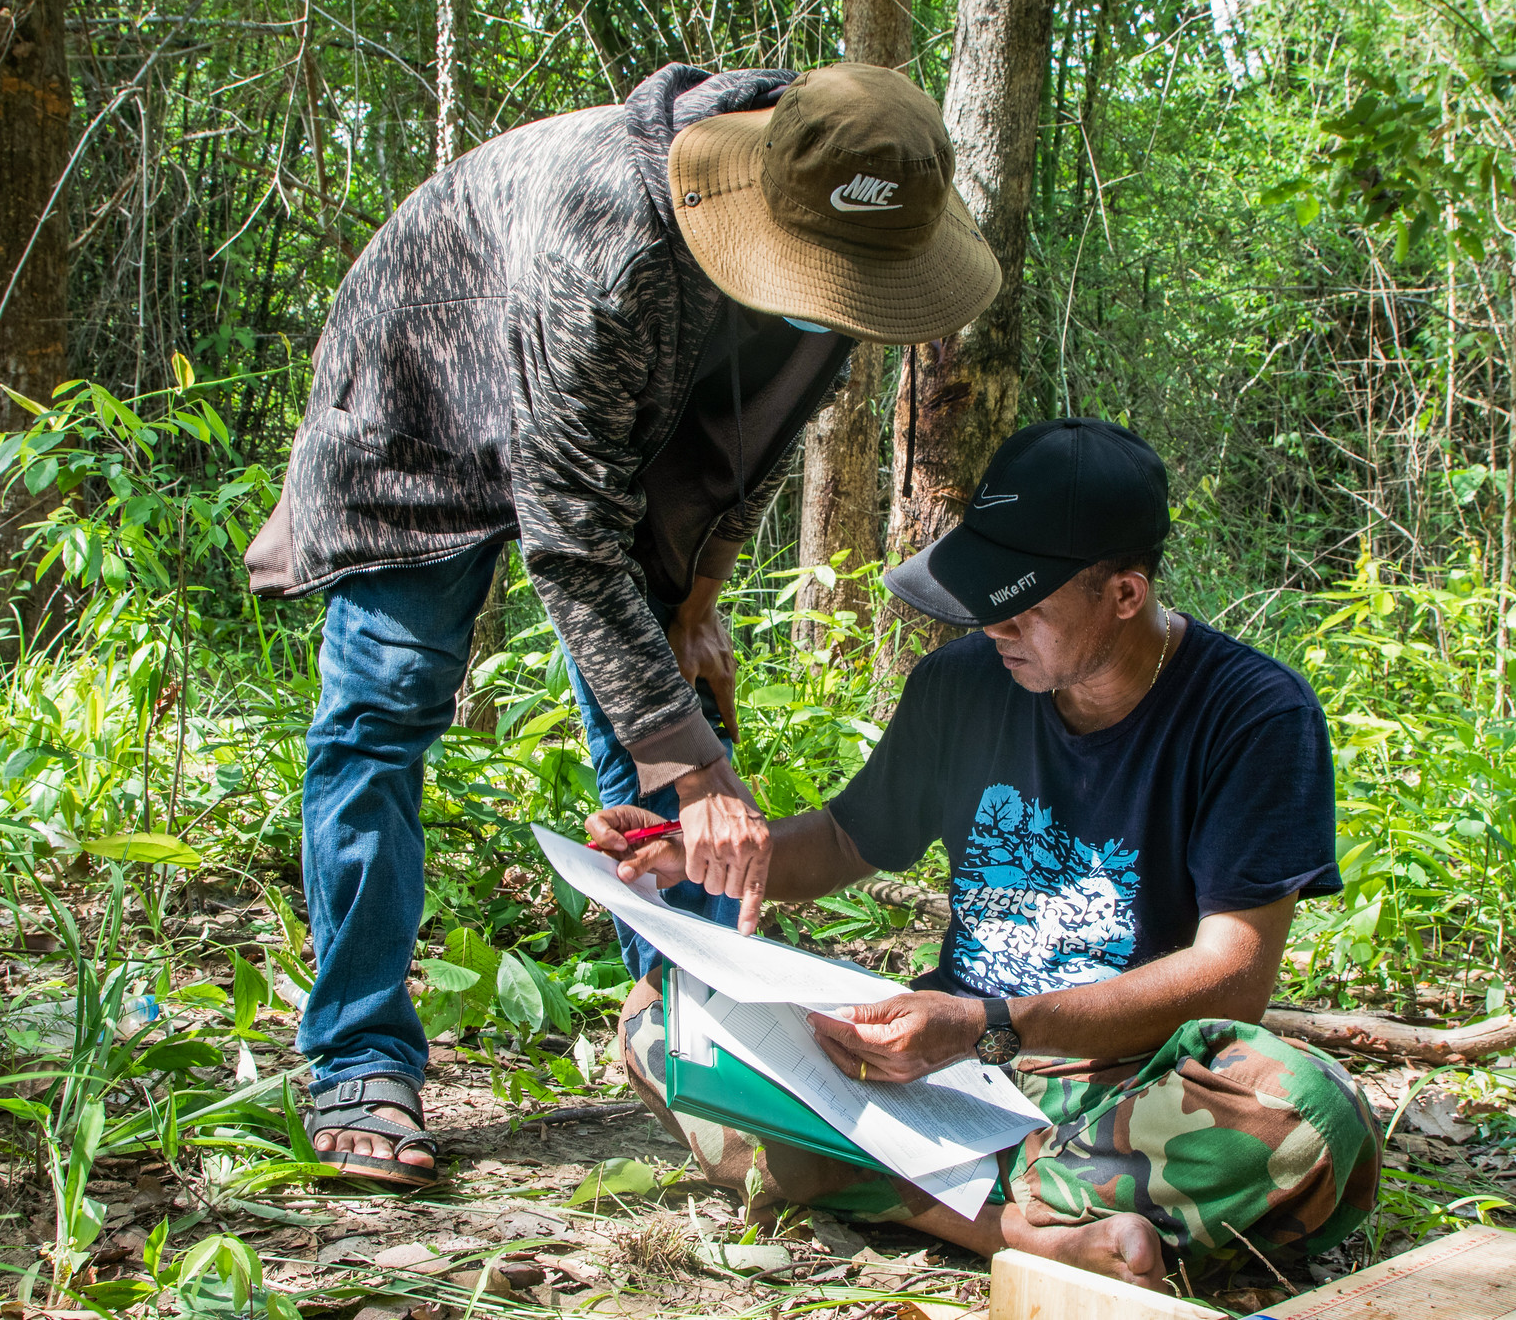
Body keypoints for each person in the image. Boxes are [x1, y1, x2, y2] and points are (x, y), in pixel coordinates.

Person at [245, 62, 1001, 1186]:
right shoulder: (611, 244)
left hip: (622, 422)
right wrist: (693, 773)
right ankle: (358, 1053)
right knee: (383, 712)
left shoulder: (860, 233)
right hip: (421, 399)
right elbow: (568, 541)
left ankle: (700, 1019)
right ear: (757, 203)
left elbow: (761, 432)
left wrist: (700, 596)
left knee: (669, 702)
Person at [589, 419, 1383, 1291]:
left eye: (1027, 605)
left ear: (1125, 593)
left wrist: (997, 1021)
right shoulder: (964, 683)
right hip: (941, 1066)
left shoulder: (1254, 714)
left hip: (1123, 1082)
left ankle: (863, 1174)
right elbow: (852, 836)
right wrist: (696, 853)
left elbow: (1233, 974)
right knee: (659, 1017)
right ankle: (1023, 1225)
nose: (995, 624)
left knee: (1311, 1111)